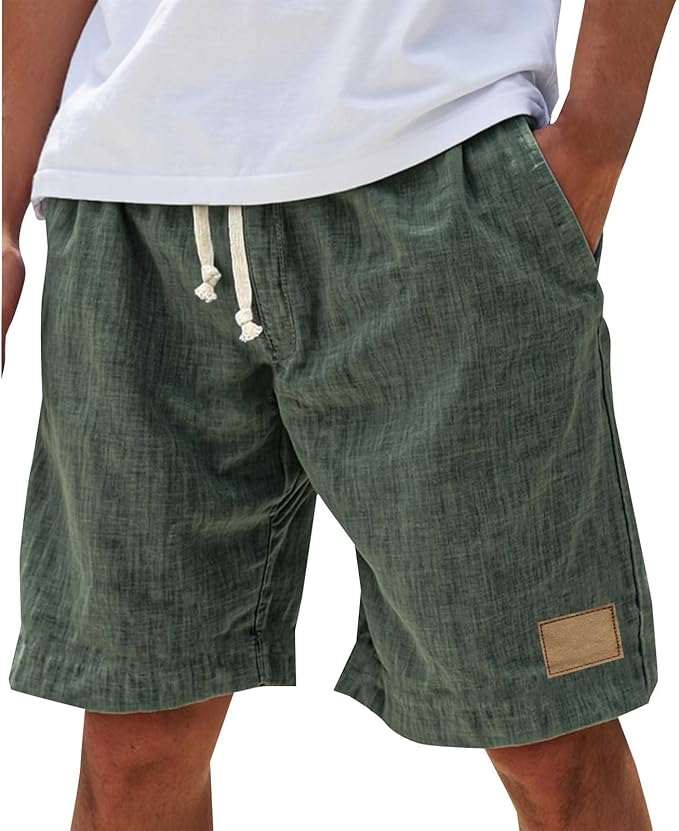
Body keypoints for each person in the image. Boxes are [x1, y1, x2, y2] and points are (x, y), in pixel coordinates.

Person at [3, 1, 674, 828]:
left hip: (438, 165)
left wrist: (596, 140)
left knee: (549, 732)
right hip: (129, 202)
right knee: (132, 748)